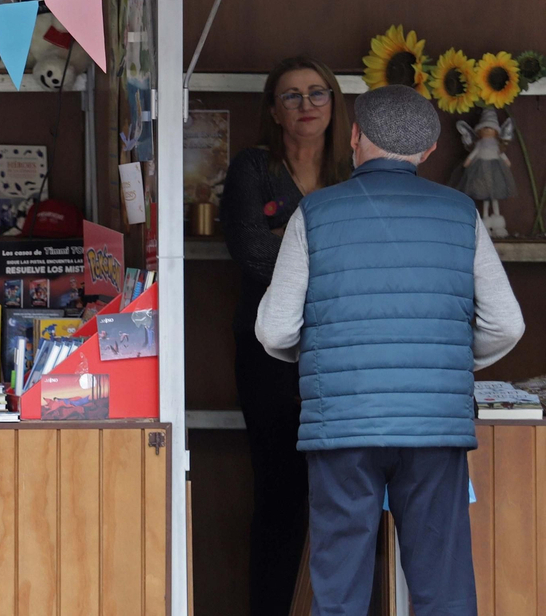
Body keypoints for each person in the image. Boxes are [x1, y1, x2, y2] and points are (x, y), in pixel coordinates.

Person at [257, 84, 525, 616]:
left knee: (339, 591)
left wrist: (323, 357)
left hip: (342, 424)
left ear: (354, 136)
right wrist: (444, 359)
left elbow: (275, 330)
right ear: (429, 150)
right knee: (443, 589)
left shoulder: (315, 213)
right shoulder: (460, 213)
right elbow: (507, 324)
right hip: (434, 426)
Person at [219, 55, 352, 616]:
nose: (306, 105)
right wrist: (331, 256)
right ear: (273, 110)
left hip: (344, 352)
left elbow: (367, 254)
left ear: (334, 104)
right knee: (278, 495)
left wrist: (289, 244)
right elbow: (251, 251)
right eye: (291, 95)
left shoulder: (354, 170)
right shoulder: (253, 168)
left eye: (317, 93)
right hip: (267, 354)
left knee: (345, 496)